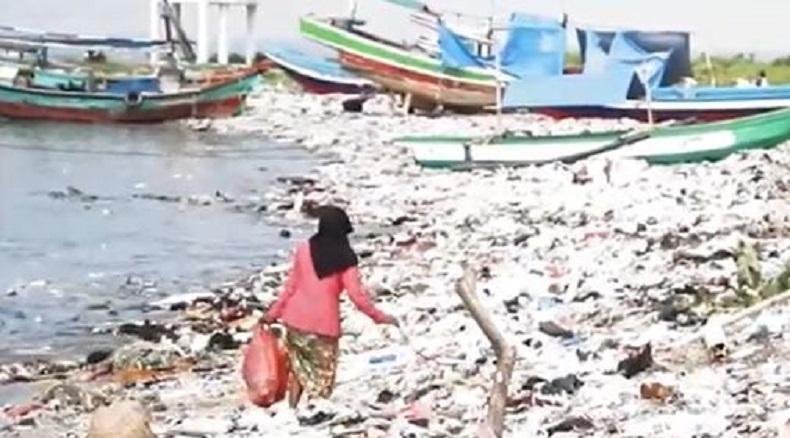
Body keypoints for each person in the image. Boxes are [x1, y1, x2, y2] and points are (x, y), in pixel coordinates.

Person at [263, 205, 398, 408]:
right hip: (323, 328)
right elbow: (357, 297)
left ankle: (292, 411)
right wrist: (381, 317)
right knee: (321, 378)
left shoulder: (304, 249)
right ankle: (313, 412)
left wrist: (272, 314)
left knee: (300, 370)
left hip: (295, 321)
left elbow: (290, 287)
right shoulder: (346, 259)